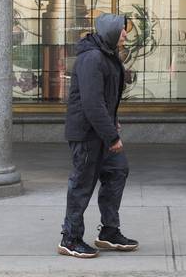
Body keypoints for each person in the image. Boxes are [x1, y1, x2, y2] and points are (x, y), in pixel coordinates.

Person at [59, 13, 139, 258]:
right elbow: (92, 104)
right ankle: (70, 238)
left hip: (101, 131)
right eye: (123, 30)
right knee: (82, 184)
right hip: (86, 134)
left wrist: (112, 124)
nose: (126, 34)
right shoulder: (93, 58)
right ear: (111, 32)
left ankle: (109, 232)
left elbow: (106, 98)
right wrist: (112, 136)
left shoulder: (107, 55)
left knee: (117, 171)